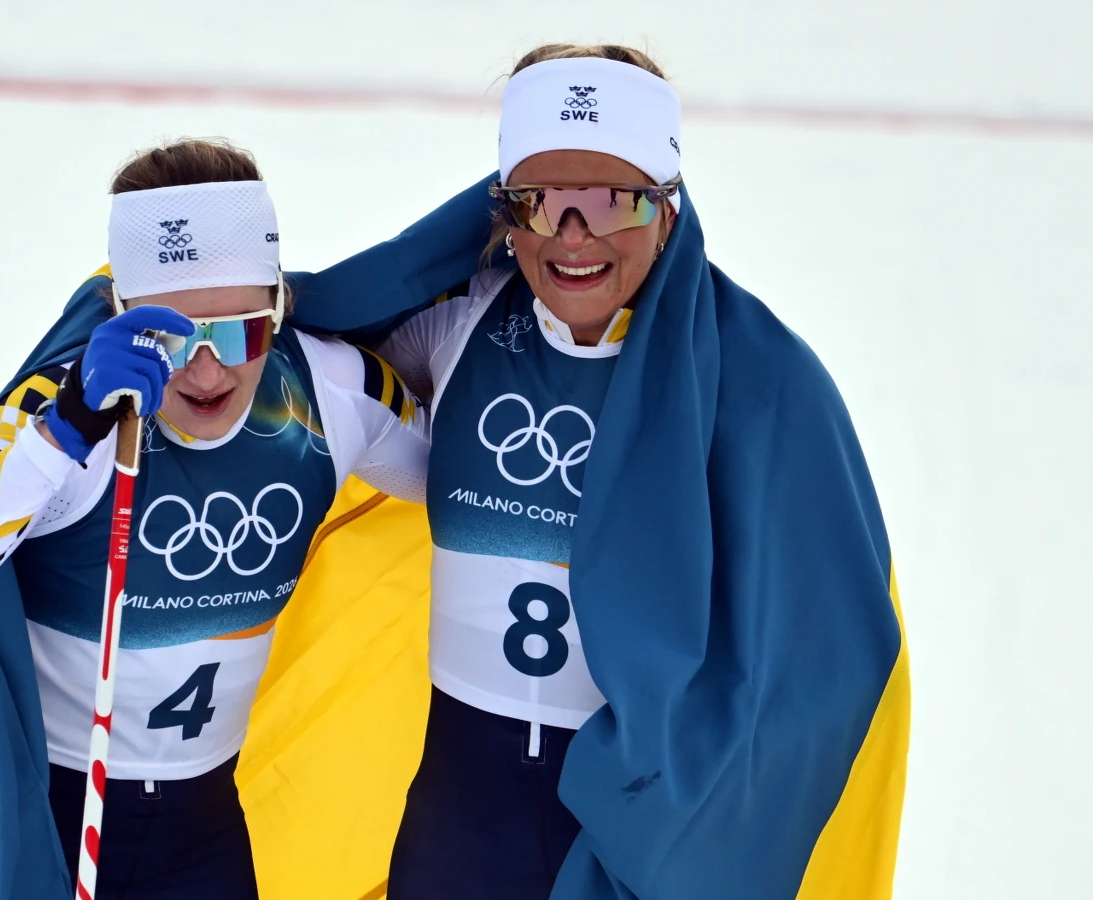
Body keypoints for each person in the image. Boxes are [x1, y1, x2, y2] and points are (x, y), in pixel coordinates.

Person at [358, 43, 911, 899]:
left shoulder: (758, 378)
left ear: (668, 208)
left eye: (612, 202)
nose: (574, 237)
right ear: (501, 212)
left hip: (634, 822)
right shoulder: (454, 332)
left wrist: (689, 818)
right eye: (541, 203)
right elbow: (266, 383)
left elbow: (832, 652)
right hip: (456, 817)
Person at [0, 138, 430, 899]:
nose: (207, 372)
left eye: (241, 332)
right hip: (57, 822)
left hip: (203, 829)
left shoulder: (329, 395)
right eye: (169, 340)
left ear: (277, 306)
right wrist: (64, 431)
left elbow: (476, 481)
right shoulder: (65, 415)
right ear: (121, 315)